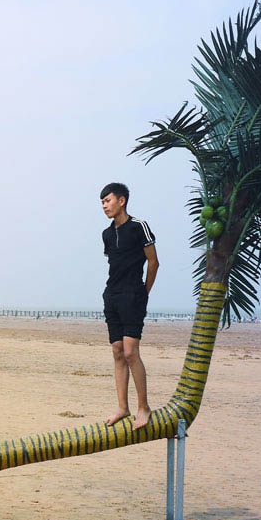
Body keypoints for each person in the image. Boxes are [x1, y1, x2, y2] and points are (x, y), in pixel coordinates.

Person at [99, 182, 159, 430]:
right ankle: (122, 407)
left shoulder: (139, 227)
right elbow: (115, 264)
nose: (104, 206)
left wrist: (143, 293)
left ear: (121, 200)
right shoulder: (106, 233)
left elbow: (153, 262)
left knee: (130, 352)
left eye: (108, 201)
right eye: (102, 203)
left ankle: (143, 407)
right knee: (116, 351)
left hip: (133, 294)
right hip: (111, 294)